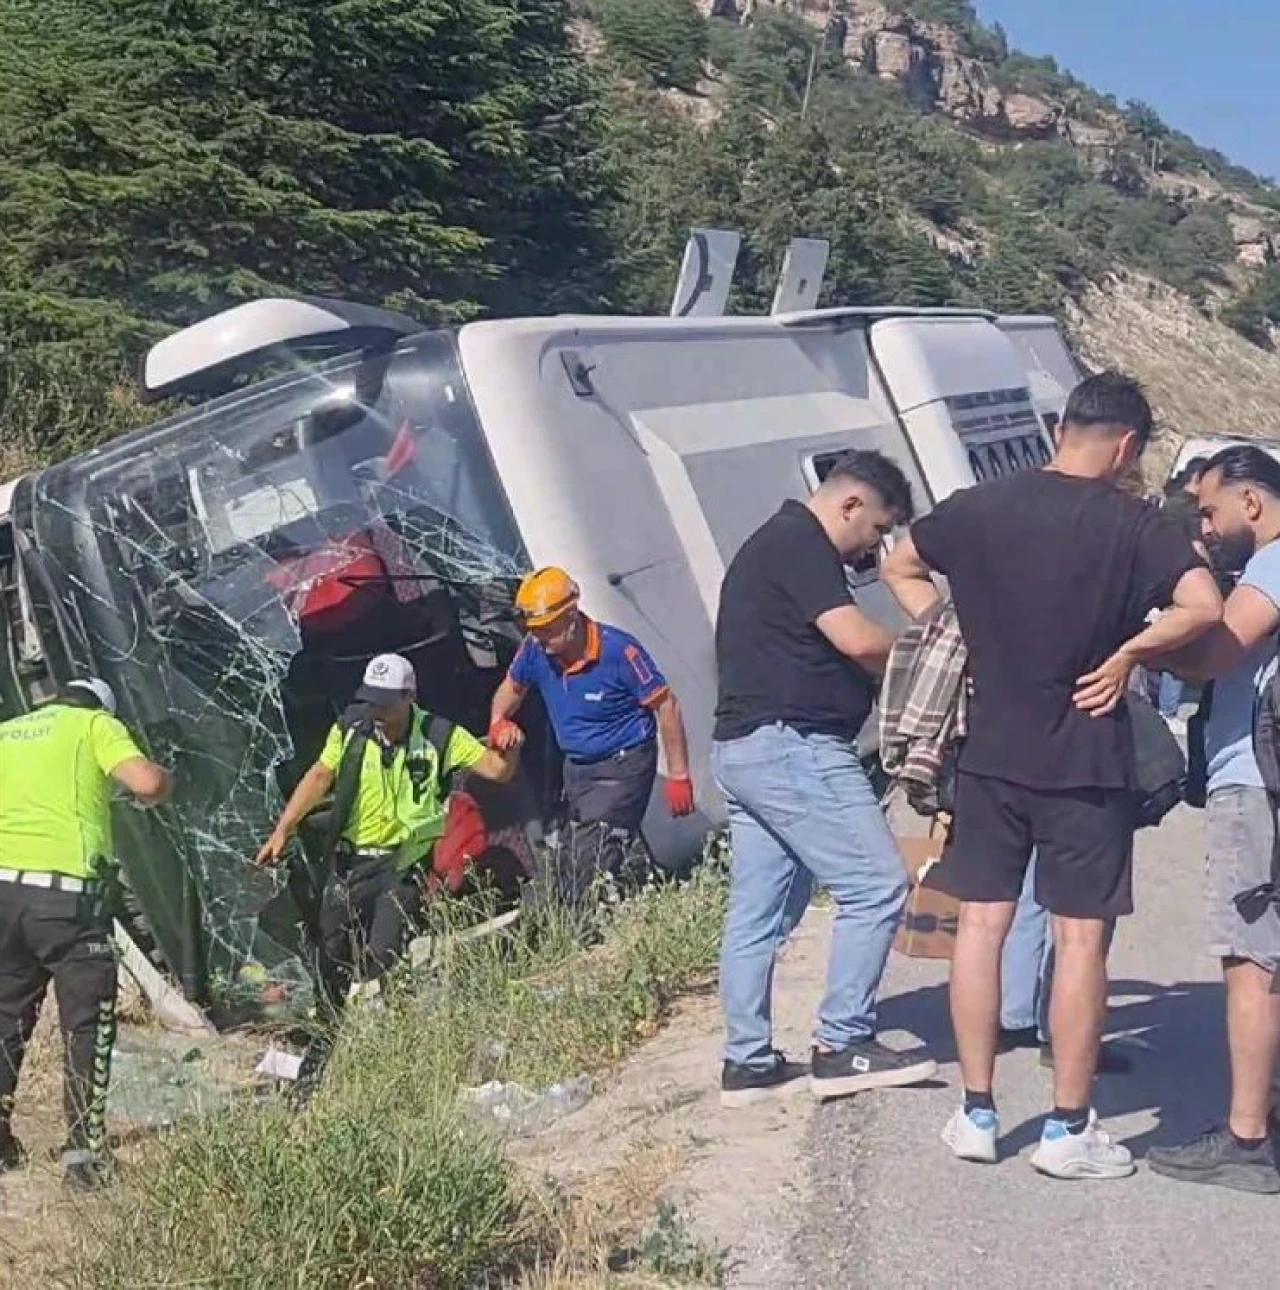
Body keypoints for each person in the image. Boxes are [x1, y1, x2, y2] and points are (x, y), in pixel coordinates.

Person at [882, 371, 1222, 1179]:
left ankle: (976, 1112)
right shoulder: (1136, 524)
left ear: (1062, 425)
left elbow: (900, 563)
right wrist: (1131, 651)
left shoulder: (979, 507)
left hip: (990, 752)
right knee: (1079, 942)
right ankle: (1068, 1131)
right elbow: (1204, 606)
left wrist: (954, 632)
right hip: (1086, 756)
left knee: (981, 927)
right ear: (1128, 445)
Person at [714, 450, 937, 1108]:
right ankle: (843, 1045)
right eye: (877, 530)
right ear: (850, 505)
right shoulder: (800, 542)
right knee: (876, 884)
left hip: (745, 750)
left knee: (760, 914)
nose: (875, 550)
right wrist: (933, 657)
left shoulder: (773, 544)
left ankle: (748, 1063)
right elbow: (857, 640)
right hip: (793, 746)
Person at [1145, 445, 1280, 1193]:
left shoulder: (1271, 564)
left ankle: (1246, 1138)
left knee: (1251, 959)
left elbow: (1216, 653)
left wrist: (1143, 643)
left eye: (1210, 509)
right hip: (1267, 780)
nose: (1206, 525)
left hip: (1254, 781)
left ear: (1251, 503)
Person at [257, 654, 520, 1004]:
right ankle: (331, 1022)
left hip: (404, 862)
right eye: (370, 700)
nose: (375, 712)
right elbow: (320, 775)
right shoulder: (351, 730)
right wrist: (283, 830)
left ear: (409, 697)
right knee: (330, 949)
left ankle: (384, 1010)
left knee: (383, 951)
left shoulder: (438, 735)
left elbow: (496, 770)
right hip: (353, 860)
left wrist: (511, 746)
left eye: (384, 703)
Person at [0, 679, 172, 1191]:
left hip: (4, 893)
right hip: (67, 902)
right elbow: (143, 783)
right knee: (85, 1026)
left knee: (6, 1019)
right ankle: (84, 1156)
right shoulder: (96, 724)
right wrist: (168, 780)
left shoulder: (9, 731)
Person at [489, 568, 694, 906]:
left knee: (592, 857)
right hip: (578, 768)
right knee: (563, 861)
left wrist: (679, 775)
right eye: (535, 632)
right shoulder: (535, 650)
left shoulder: (619, 652)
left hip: (623, 764)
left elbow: (667, 705)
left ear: (571, 616)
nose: (541, 641)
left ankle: (584, 931)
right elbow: (510, 689)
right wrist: (498, 721)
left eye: (547, 632)